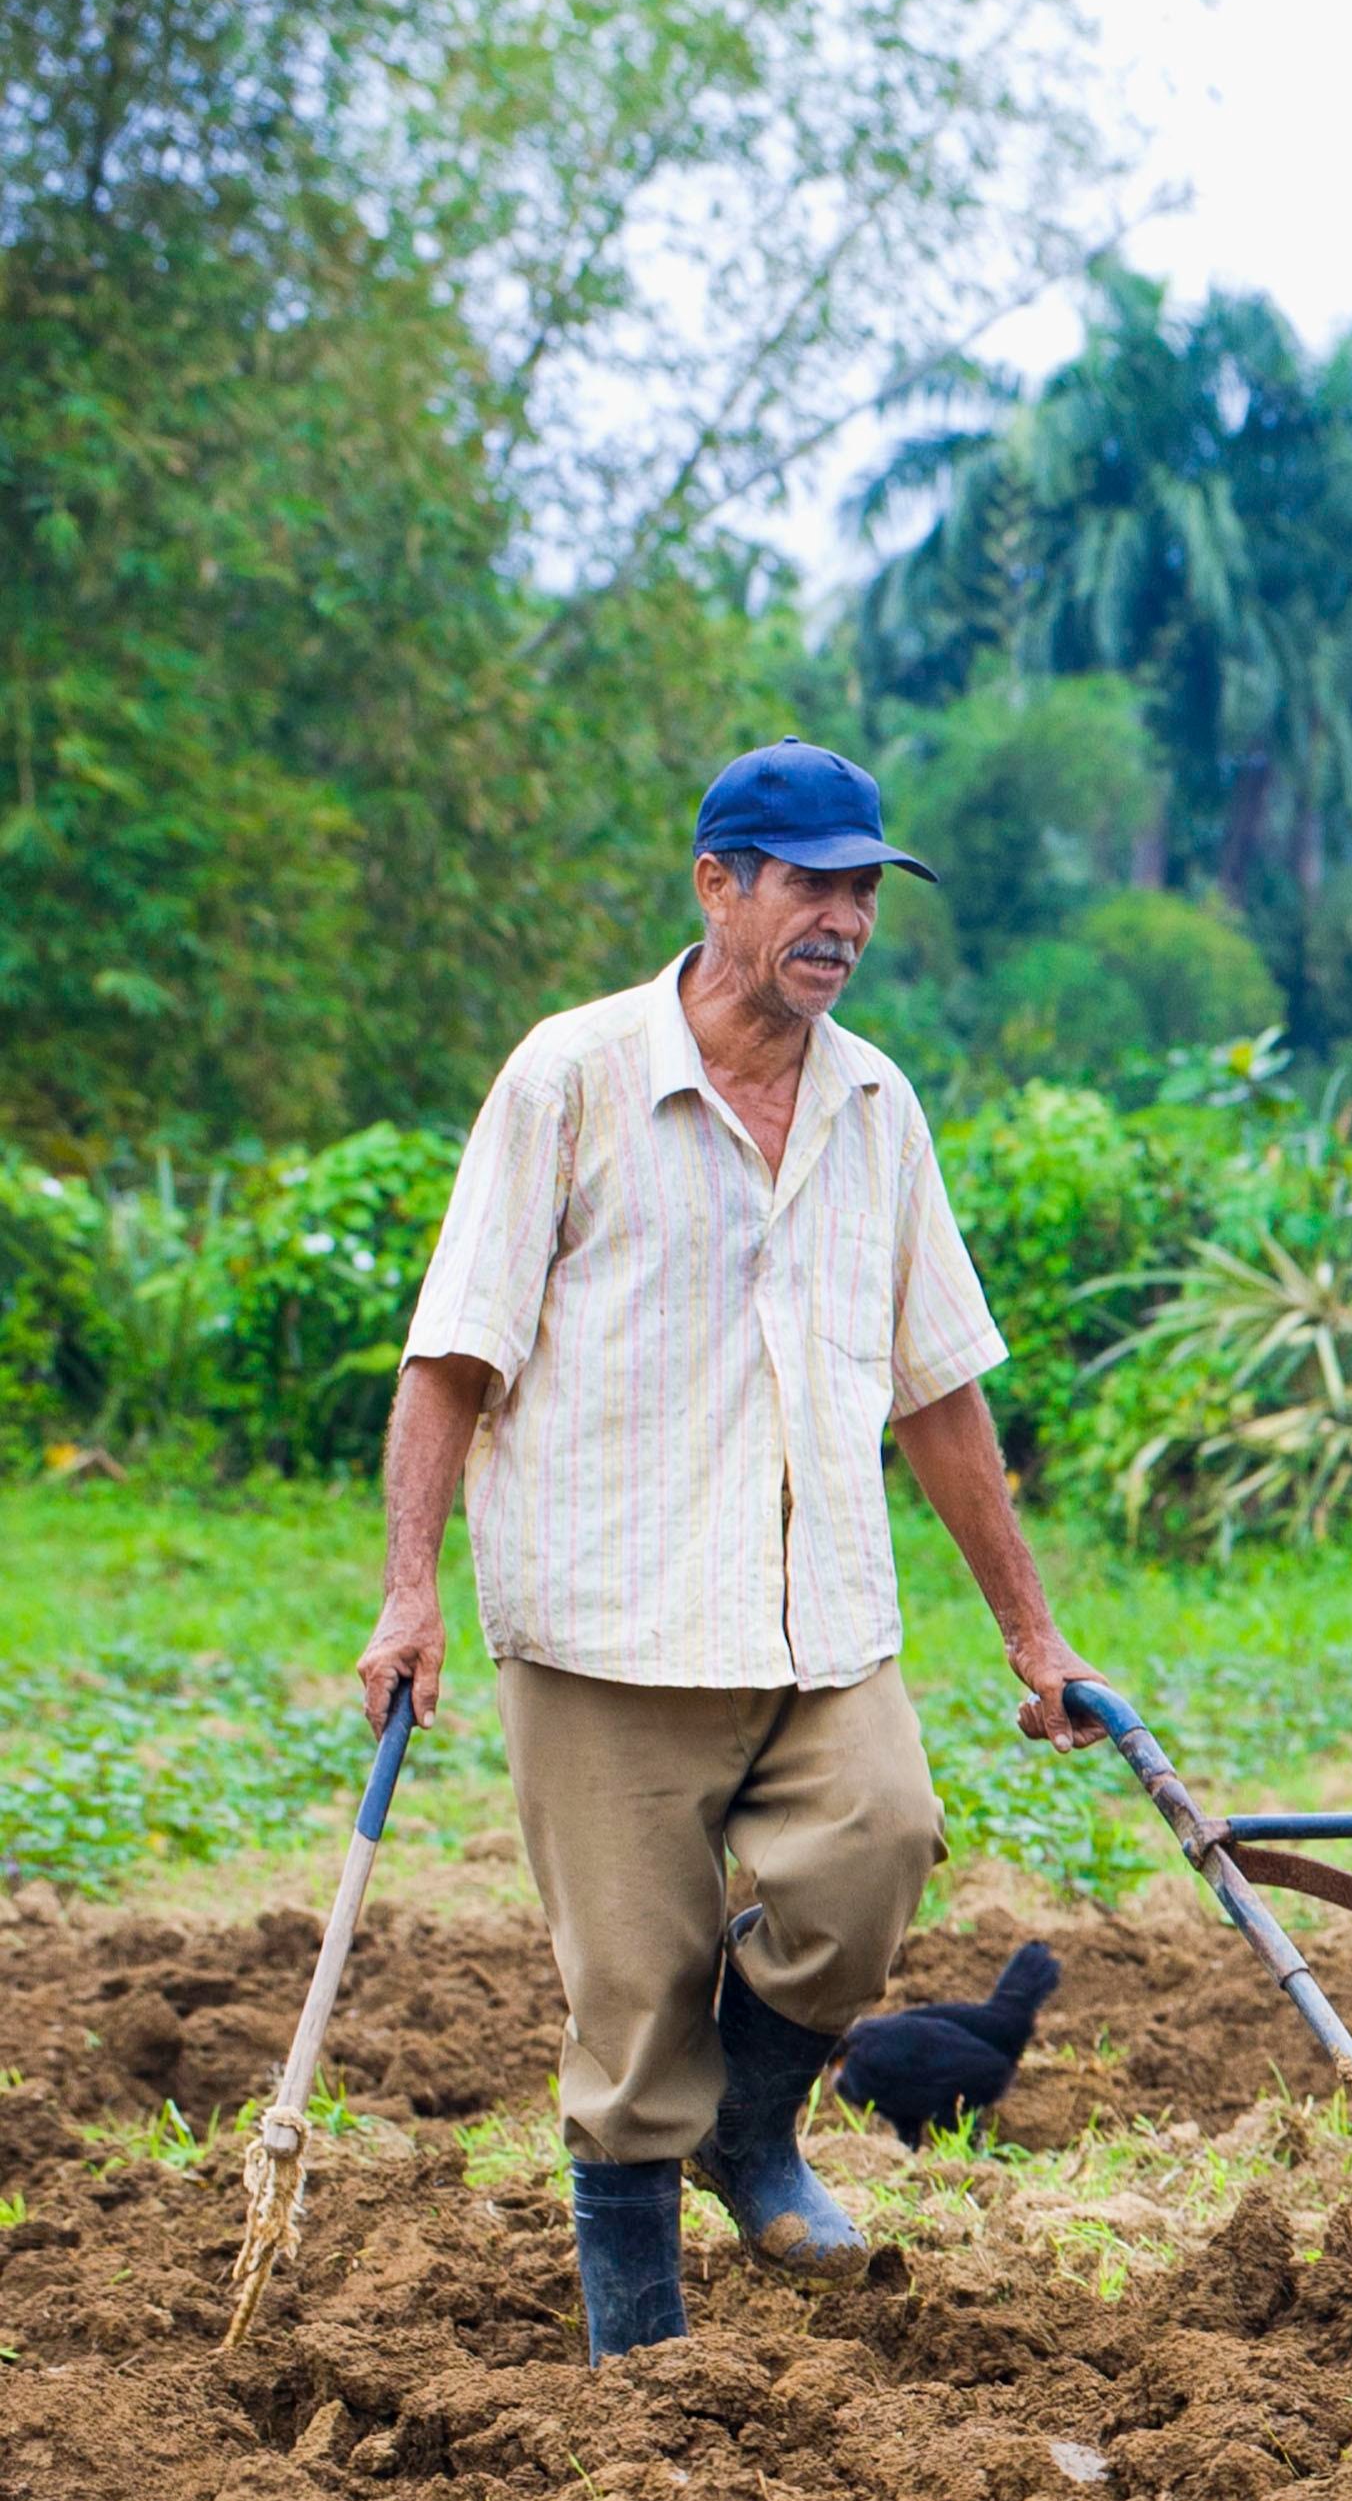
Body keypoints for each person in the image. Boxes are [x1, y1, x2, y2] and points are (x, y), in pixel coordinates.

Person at [354, 739, 1107, 2362]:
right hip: (608, 1626)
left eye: (862, 890)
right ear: (719, 886)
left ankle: (751, 2131)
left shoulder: (877, 1103)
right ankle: (644, 2362)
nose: (842, 919)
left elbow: (941, 1394)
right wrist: (409, 1596)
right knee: (632, 2004)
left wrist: (1034, 1639)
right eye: (810, 884)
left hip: (818, 1615)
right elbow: (451, 1358)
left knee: (877, 1848)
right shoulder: (570, 1079)